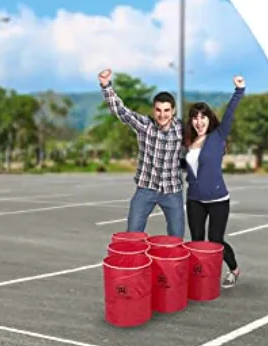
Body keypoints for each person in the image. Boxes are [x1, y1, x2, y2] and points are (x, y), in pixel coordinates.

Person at [98, 68, 184, 237]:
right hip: (146, 189)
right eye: (158, 110)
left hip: (172, 190)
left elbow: (204, 132)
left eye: (166, 110)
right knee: (132, 235)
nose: (162, 115)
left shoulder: (181, 129)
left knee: (176, 237)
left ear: (173, 111)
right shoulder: (145, 126)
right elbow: (121, 111)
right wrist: (106, 85)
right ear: (154, 110)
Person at [182, 76, 246, 287]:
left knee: (215, 240)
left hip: (218, 199)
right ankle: (201, 277)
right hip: (194, 199)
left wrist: (239, 90)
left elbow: (230, 113)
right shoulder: (188, 142)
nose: (199, 122)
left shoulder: (218, 136)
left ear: (209, 119)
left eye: (203, 117)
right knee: (197, 241)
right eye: (195, 118)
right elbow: (189, 168)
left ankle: (234, 269)